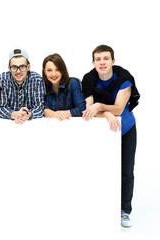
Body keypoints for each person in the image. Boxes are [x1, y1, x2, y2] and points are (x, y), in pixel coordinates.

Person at [81, 44, 140, 228]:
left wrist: (100, 106)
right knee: (101, 170)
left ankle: (124, 211)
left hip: (125, 128)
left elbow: (120, 109)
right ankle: (101, 208)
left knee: (126, 170)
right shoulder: (89, 79)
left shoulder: (124, 78)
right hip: (103, 131)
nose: (102, 62)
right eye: (98, 59)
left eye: (106, 58)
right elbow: (89, 109)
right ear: (93, 62)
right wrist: (103, 111)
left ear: (113, 61)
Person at [0, 48, 46, 124]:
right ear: (9, 68)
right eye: (14, 67)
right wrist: (15, 114)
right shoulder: (2, 79)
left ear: (28, 67)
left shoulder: (37, 80)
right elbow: (1, 108)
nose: (18, 71)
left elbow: (39, 107)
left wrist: (27, 114)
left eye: (22, 67)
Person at [42, 53, 85, 120]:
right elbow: (43, 109)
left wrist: (62, 114)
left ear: (62, 70)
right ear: (44, 71)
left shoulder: (73, 83)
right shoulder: (43, 86)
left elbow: (82, 109)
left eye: (57, 70)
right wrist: (54, 114)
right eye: (49, 70)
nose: (53, 74)